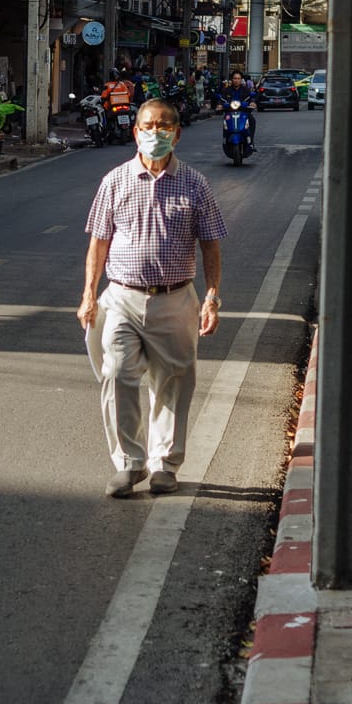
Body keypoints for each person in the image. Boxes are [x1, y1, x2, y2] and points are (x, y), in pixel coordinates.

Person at [78, 98, 228, 498]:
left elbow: (210, 246)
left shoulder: (196, 184)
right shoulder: (114, 181)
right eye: (148, 126)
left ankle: (165, 464)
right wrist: (89, 295)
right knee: (117, 374)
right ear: (135, 131)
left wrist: (211, 296)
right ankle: (129, 463)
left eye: (164, 127)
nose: (155, 133)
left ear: (177, 134)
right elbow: (99, 242)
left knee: (174, 383)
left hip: (175, 300)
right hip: (122, 297)